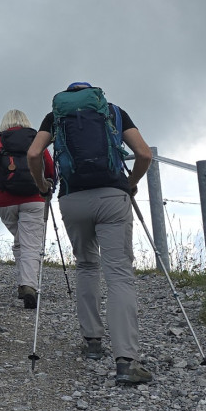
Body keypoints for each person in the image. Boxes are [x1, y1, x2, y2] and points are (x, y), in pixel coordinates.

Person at [27, 82, 155, 385]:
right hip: (112, 197)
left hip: (72, 199)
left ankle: (93, 341)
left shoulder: (55, 118)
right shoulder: (114, 113)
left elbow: (33, 154)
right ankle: (126, 361)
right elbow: (144, 154)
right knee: (119, 274)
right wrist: (131, 183)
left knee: (86, 265)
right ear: (97, 96)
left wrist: (42, 185)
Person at [0, 109, 56, 309]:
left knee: (22, 240)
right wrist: (48, 186)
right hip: (34, 198)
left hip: (4, 200)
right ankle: (28, 285)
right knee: (30, 243)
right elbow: (49, 168)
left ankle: (24, 284)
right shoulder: (35, 140)